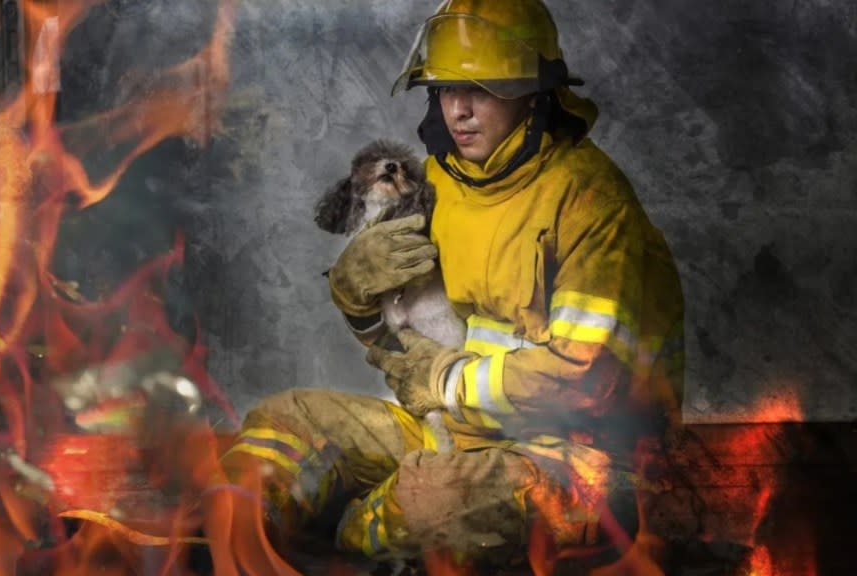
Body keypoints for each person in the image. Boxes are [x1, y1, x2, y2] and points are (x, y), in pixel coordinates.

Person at [202, 0, 685, 571]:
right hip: (454, 429)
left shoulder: (590, 201)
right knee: (286, 420)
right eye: (445, 90)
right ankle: (233, 541)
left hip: (579, 456)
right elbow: (402, 347)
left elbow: (587, 380)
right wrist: (356, 297)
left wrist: (447, 380)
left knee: (436, 500)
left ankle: (347, 531)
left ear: (535, 92)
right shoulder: (438, 184)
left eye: (483, 88)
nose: (459, 110)